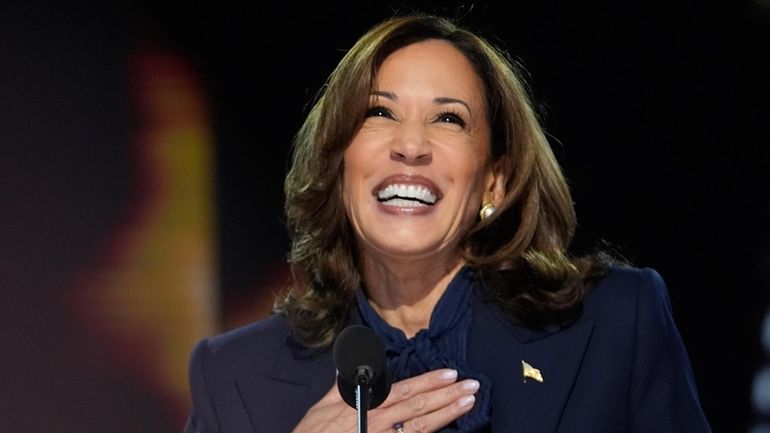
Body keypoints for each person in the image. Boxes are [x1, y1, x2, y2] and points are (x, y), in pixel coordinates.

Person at [182, 12, 712, 433]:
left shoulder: (617, 324)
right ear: (338, 164)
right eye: (379, 113)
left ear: (493, 184)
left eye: (449, 118)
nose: (410, 146)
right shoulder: (234, 375)